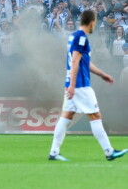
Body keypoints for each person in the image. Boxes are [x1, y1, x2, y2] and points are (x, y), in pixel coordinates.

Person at [48, 10, 127, 162]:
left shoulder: (74, 36)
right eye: (95, 23)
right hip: (80, 85)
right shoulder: (81, 37)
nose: (94, 26)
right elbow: (75, 61)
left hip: (73, 83)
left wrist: (102, 74)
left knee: (66, 116)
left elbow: (84, 62)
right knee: (95, 116)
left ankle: (53, 152)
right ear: (91, 22)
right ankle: (109, 151)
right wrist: (72, 85)